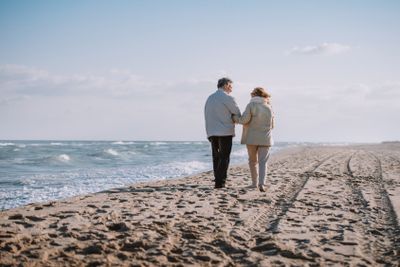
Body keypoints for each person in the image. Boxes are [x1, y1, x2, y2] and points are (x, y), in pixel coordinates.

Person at [233, 87, 274, 192]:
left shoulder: (251, 105)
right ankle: (262, 184)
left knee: (252, 161)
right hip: (266, 138)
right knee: (263, 162)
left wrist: (234, 118)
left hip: (252, 138)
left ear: (254, 95)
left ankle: (254, 183)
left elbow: (244, 120)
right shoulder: (269, 106)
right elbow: (272, 125)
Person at [204, 78, 241, 188]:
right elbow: (237, 112)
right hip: (225, 131)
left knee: (216, 157)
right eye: (230, 86)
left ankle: (217, 179)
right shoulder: (228, 97)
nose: (231, 88)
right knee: (224, 157)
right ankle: (220, 182)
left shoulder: (210, 98)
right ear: (225, 85)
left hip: (211, 131)